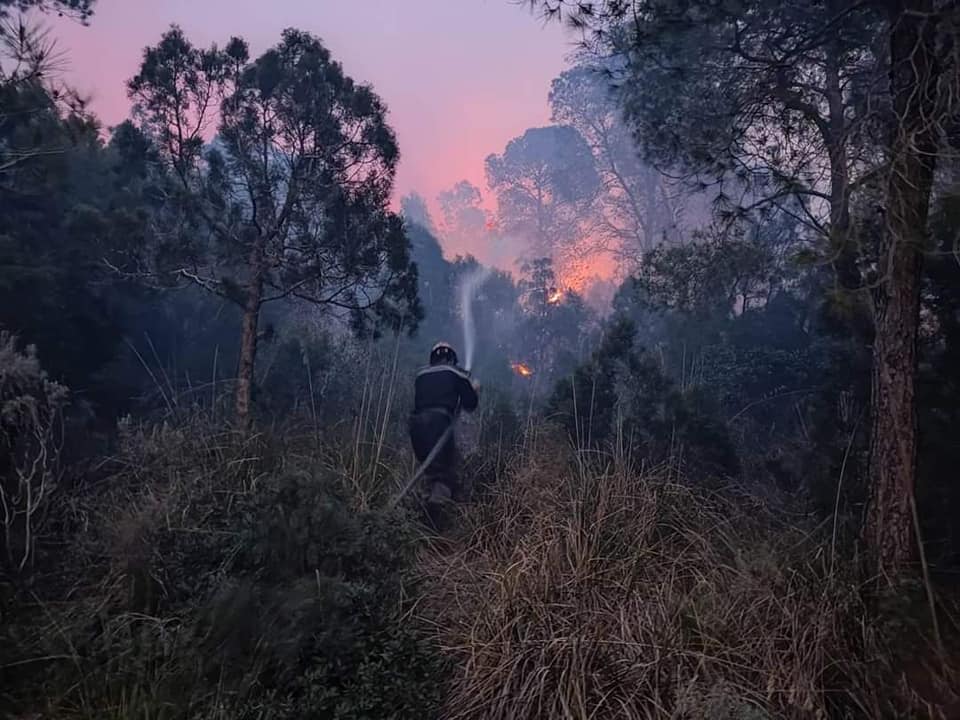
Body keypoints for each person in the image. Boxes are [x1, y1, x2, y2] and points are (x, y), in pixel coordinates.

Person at [408, 341, 480, 527]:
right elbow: (470, 404)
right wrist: (473, 388)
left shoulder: (421, 374)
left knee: (430, 471)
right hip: (438, 424)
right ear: (451, 358)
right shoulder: (455, 373)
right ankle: (434, 521)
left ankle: (420, 515)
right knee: (447, 474)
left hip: (416, 427)